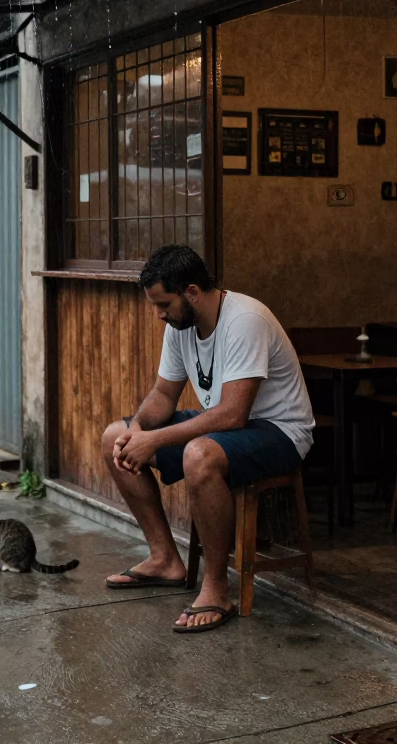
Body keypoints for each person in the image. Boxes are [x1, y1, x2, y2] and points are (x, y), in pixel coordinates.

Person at [102, 244, 314, 633]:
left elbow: (233, 414)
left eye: (163, 304)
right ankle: (164, 559)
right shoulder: (180, 326)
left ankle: (216, 588)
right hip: (224, 425)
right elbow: (163, 394)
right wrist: (138, 430)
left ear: (192, 292)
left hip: (280, 431)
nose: (159, 314)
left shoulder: (245, 319)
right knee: (114, 435)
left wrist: (156, 440)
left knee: (199, 454)